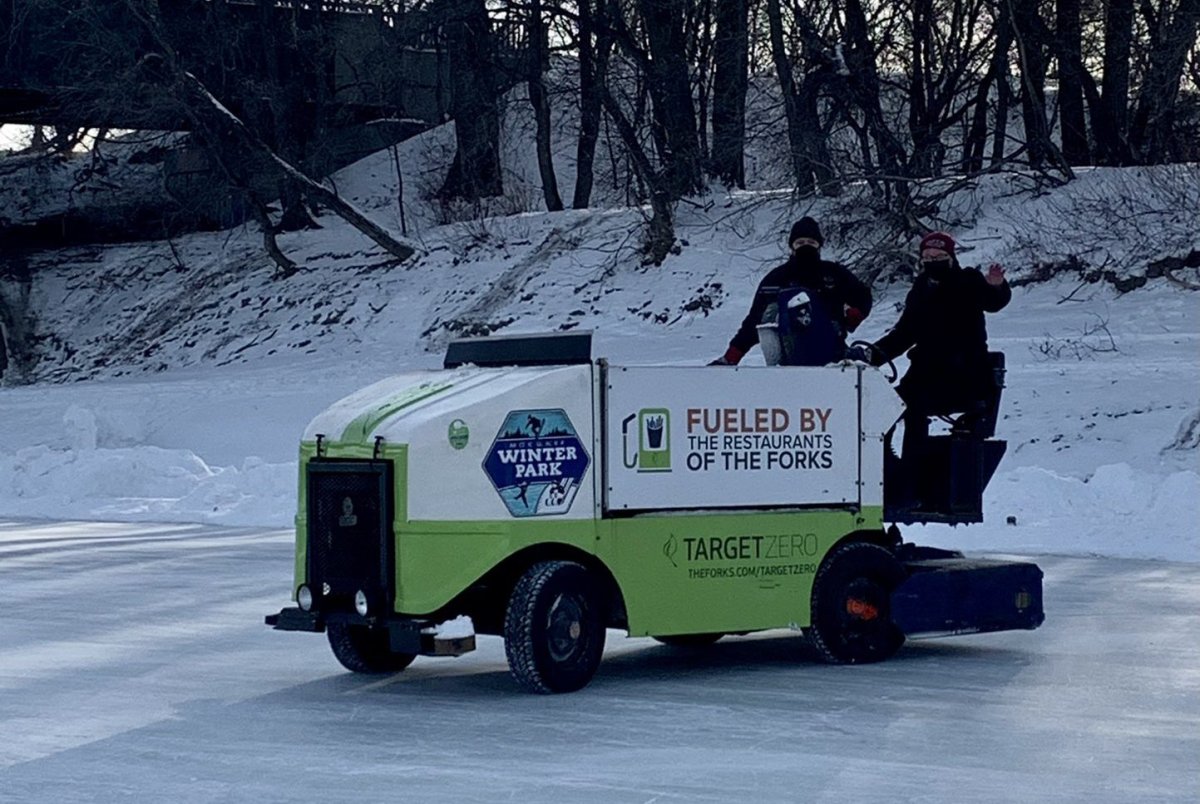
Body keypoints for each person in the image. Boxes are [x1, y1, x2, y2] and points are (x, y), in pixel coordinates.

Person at [846, 231, 1010, 507]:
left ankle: (911, 488)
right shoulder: (921, 288)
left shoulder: (967, 281)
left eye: (939, 257)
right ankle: (889, 475)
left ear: (951, 257)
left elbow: (992, 301)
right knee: (880, 409)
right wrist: (871, 355)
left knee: (914, 411)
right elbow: (904, 333)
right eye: (928, 257)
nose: (933, 261)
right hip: (923, 375)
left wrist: (996, 286)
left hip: (963, 376)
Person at [710, 217, 872, 366]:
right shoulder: (777, 278)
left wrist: (856, 313)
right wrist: (732, 355)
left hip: (831, 350)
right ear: (792, 246)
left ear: (819, 245)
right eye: (800, 243)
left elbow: (863, 296)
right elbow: (755, 320)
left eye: (811, 242)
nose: (806, 246)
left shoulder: (833, 273)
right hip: (786, 354)